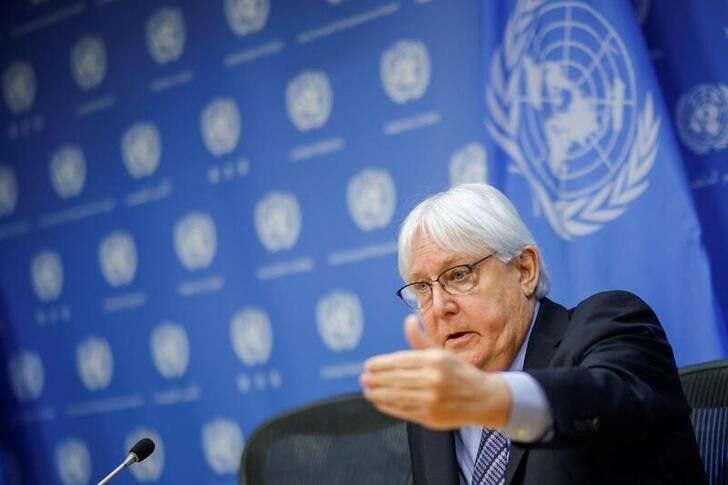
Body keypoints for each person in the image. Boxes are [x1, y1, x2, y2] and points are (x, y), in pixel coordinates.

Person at [359, 183, 706, 485]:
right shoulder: (436, 411)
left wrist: (496, 399)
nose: (438, 306)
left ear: (525, 270)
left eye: (459, 275)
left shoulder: (609, 326)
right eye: (422, 287)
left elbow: (608, 400)